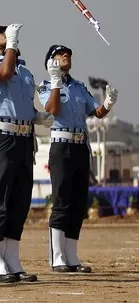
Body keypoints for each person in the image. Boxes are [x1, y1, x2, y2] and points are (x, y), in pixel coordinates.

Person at [0, 24, 52, 284]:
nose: (7, 33)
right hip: (2, 138)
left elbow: (25, 106)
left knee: (19, 202)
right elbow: (4, 72)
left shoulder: (26, 72)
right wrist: (10, 42)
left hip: (24, 138)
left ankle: (13, 261)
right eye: (0, 32)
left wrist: (39, 116)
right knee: (0, 199)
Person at [37, 44, 118, 273]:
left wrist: (109, 103)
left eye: (69, 54)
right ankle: (57, 257)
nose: (67, 57)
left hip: (81, 146)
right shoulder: (45, 86)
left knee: (79, 202)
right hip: (62, 146)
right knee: (62, 201)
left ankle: (71, 256)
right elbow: (52, 109)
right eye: (61, 54)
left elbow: (96, 112)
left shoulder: (80, 87)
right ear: (51, 61)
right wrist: (55, 82)